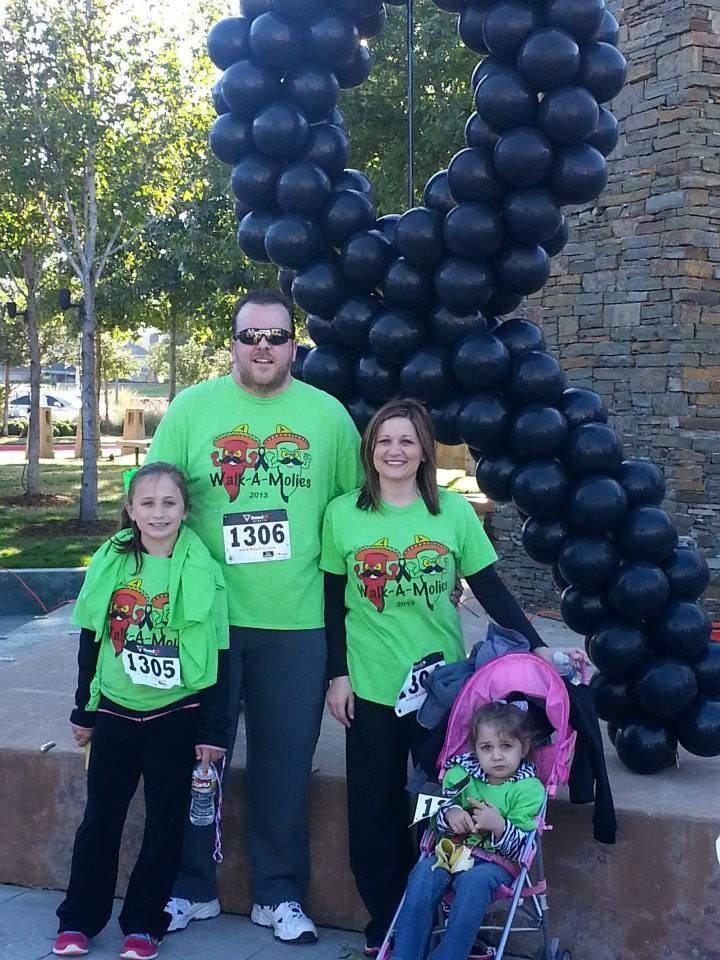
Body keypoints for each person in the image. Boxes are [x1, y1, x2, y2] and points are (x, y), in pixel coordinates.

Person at [320, 398, 587, 955]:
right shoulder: (343, 514)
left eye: (407, 441)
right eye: (384, 440)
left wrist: (541, 650)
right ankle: (386, 927)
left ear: (424, 451)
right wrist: (337, 674)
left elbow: (490, 589)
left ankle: (440, 924)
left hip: (441, 695)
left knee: (441, 810)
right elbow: (330, 603)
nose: (395, 451)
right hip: (370, 688)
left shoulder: (454, 514)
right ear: (370, 449)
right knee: (373, 812)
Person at [146, 289, 363, 943]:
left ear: (294, 344)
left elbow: (353, 517)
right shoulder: (192, 410)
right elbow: (154, 504)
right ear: (232, 344)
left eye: (275, 336)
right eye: (250, 336)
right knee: (197, 762)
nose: (263, 347)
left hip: (297, 625)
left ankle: (279, 894)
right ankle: (191, 887)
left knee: (284, 766)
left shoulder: (328, 417)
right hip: (204, 622)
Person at [53, 462, 229, 960]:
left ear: (186, 510)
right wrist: (84, 708)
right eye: (147, 503)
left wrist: (213, 729)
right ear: (130, 509)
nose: (158, 513)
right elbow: (90, 638)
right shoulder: (110, 561)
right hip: (116, 710)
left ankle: (145, 924)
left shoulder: (204, 570)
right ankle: (78, 920)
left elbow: (218, 652)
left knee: (165, 824)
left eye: (169, 503)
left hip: (177, 712)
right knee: (100, 819)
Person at [391, 701, 545, 960]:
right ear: (475, 749)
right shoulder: (461, 776)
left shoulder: (528, 789)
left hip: (496, 863)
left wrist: (499, 826)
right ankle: (404, 955)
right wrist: (450, 814)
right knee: (423, 874)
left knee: (475, 882)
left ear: (524, 747)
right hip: (451, 853)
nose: (496, 756)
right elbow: (436, 817)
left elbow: (523, 848)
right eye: (486, 747)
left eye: (506, 746)